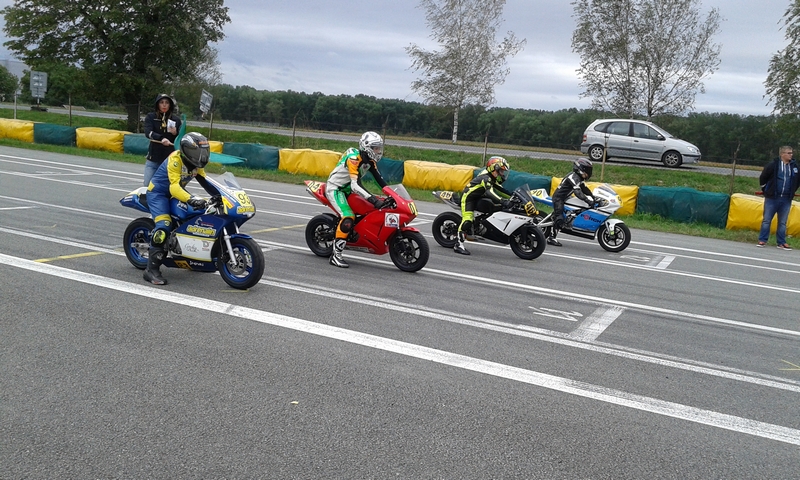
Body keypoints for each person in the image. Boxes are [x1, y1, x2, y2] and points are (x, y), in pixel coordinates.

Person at [143, 132, 220, 285]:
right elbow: (174, 187)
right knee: (164, 225)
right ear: (186, 150)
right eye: (197, 152)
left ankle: (193, 257)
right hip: (159, 194)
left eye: (203, 152)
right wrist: (191, 199)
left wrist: (221, 196)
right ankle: (151, 270)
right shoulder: (175, 159)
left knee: (198, 214)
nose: (201, 156)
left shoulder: (196, 165)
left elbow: (205, 181)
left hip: (175, 194)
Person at [325, 131, 390, 268]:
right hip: (336, 189)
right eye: (375, 148)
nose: (378, 151)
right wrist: (374, 200)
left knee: (369, 208)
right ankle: (335, 256)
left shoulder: (370, 161)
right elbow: (355, 186)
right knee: (348, 216)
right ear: (367, 147)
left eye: (379, 148)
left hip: (348, 190)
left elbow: (379, 180)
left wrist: (392, 195)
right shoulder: (354, 159)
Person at [453, 156, 512, 255]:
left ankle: (478, 226)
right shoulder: (486, 178)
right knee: (467, 220)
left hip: (478, 197)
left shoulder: (491, 177)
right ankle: (458, 244)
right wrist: (502, 201)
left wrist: (514, 195)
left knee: (494, 207)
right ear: (494, 168)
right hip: (468, 198)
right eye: (501, 171)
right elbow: (489, 192)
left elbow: (502, 189)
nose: (502, 174)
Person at [757, 145, 799, 249]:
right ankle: (762, 240)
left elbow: (797, 180)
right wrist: (766, 189)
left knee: (783, 222)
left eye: (791, 153)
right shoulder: (773, 165)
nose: (791, 155)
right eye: (789, 153)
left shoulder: (794, 167)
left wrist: (793, 190)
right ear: (782, 154)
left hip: (786, 199)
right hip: (772, 198)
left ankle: (781, 242)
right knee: (767, 220)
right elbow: (763, 177)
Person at [548, 157, 595, 247]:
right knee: (560, 218)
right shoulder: (573, 177)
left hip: (566, 197)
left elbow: (584, 189)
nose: (588, 173)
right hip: (558, 198)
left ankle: (569, 222)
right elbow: (578, 192)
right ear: (581, 169)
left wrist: (593, 197)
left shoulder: (579, 178)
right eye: (587, 170)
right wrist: (588, 201)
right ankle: (551, 238)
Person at [143, 93, 181, 187]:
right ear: (157, 104)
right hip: (153, 158)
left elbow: (180, 139)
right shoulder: (151, 117)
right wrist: (161, 138)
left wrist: (175, 134)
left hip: (169, 160)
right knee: (147, 185)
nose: (164, 105)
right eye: (161, 102)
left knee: (166, 187)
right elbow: (148, 132)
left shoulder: (176, 120)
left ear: (170, 105)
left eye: (166, 103)